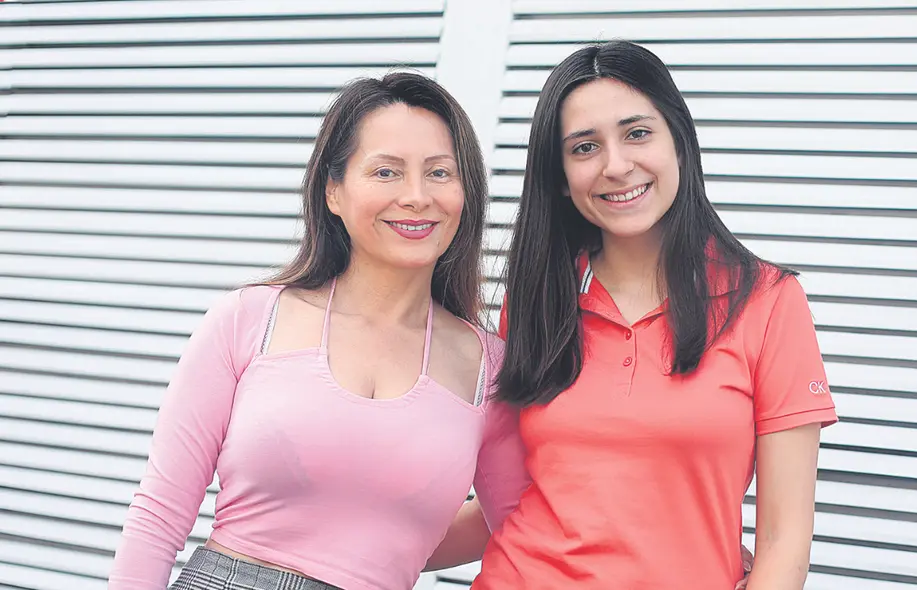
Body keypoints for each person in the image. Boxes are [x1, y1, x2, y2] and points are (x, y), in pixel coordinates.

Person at [109, 72, 529, 590]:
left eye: (440, 173)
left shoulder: (489, 368)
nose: (418, 196)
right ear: (334, 191)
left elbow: (516, 526)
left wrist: (392, 546)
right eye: (386, 172)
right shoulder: (248, 319)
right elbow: (158, 515)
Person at [470, 40, 838, 589]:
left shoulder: (767, 301)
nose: (617, 166)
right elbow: (508, 500)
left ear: (679, 142)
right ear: (561, 178)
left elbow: (785, 545)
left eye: (637, 133)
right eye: (584, 147)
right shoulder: (536, 303)